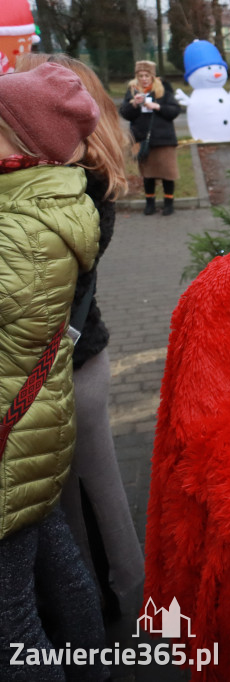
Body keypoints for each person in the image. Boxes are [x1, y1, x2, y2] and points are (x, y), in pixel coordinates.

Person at [16, 52, 145, 619]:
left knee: (90, 499)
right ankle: (106, 604)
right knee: (91, 493)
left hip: (65, 361)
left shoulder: (71, 187)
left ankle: (116, 608)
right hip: (79, 354)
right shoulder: (88, 175)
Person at [0, 62, 106, 682]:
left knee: (10, 616)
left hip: (14, 438)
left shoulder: (18, 227)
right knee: (56, 565)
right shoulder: (47, 201)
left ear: (25, 144)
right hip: (32, 429)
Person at [119, 60, 180, 216]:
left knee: (168, 173)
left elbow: (174, 111)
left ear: (153, 76)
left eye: (147, 75)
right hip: (142, 139)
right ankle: (150, 203)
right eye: (140, 76)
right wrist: (133, 104)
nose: (144, 79)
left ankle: (168, 203)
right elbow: (125, 114)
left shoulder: (163, 89)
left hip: (163, 139)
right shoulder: (132, 90)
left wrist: (157, 107)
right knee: (148, 174)